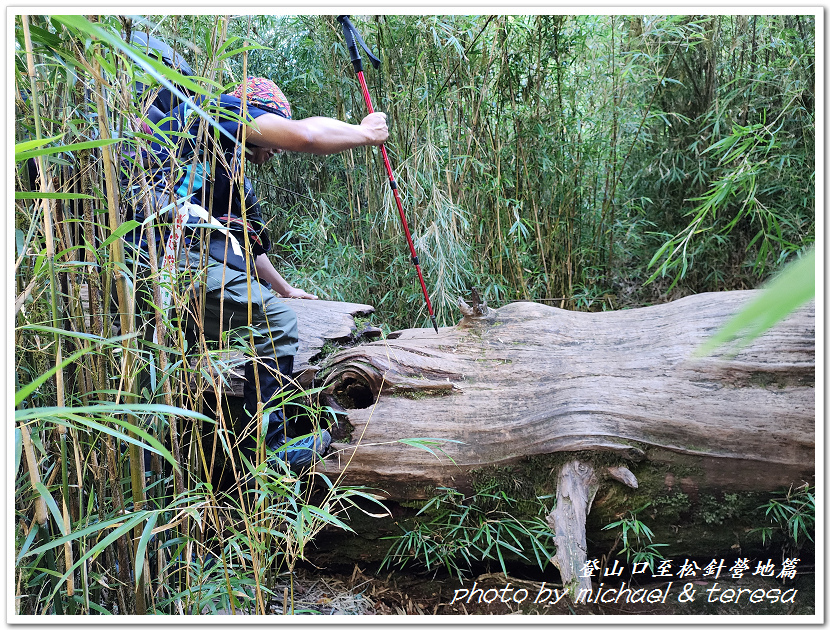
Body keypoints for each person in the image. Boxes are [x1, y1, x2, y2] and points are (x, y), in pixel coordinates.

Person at [135, 76, 388, 470]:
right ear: (259, 117)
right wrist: (363, 132)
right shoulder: (217, 114)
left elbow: (246, 246)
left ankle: (179, 475)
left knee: (178, 368)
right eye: (272, 135)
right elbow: (304, 136)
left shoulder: (233, 172)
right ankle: (269, 451)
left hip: (183, 257)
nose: (275, 150)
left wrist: (285, 288)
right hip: (162, 254)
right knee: (274, 323)